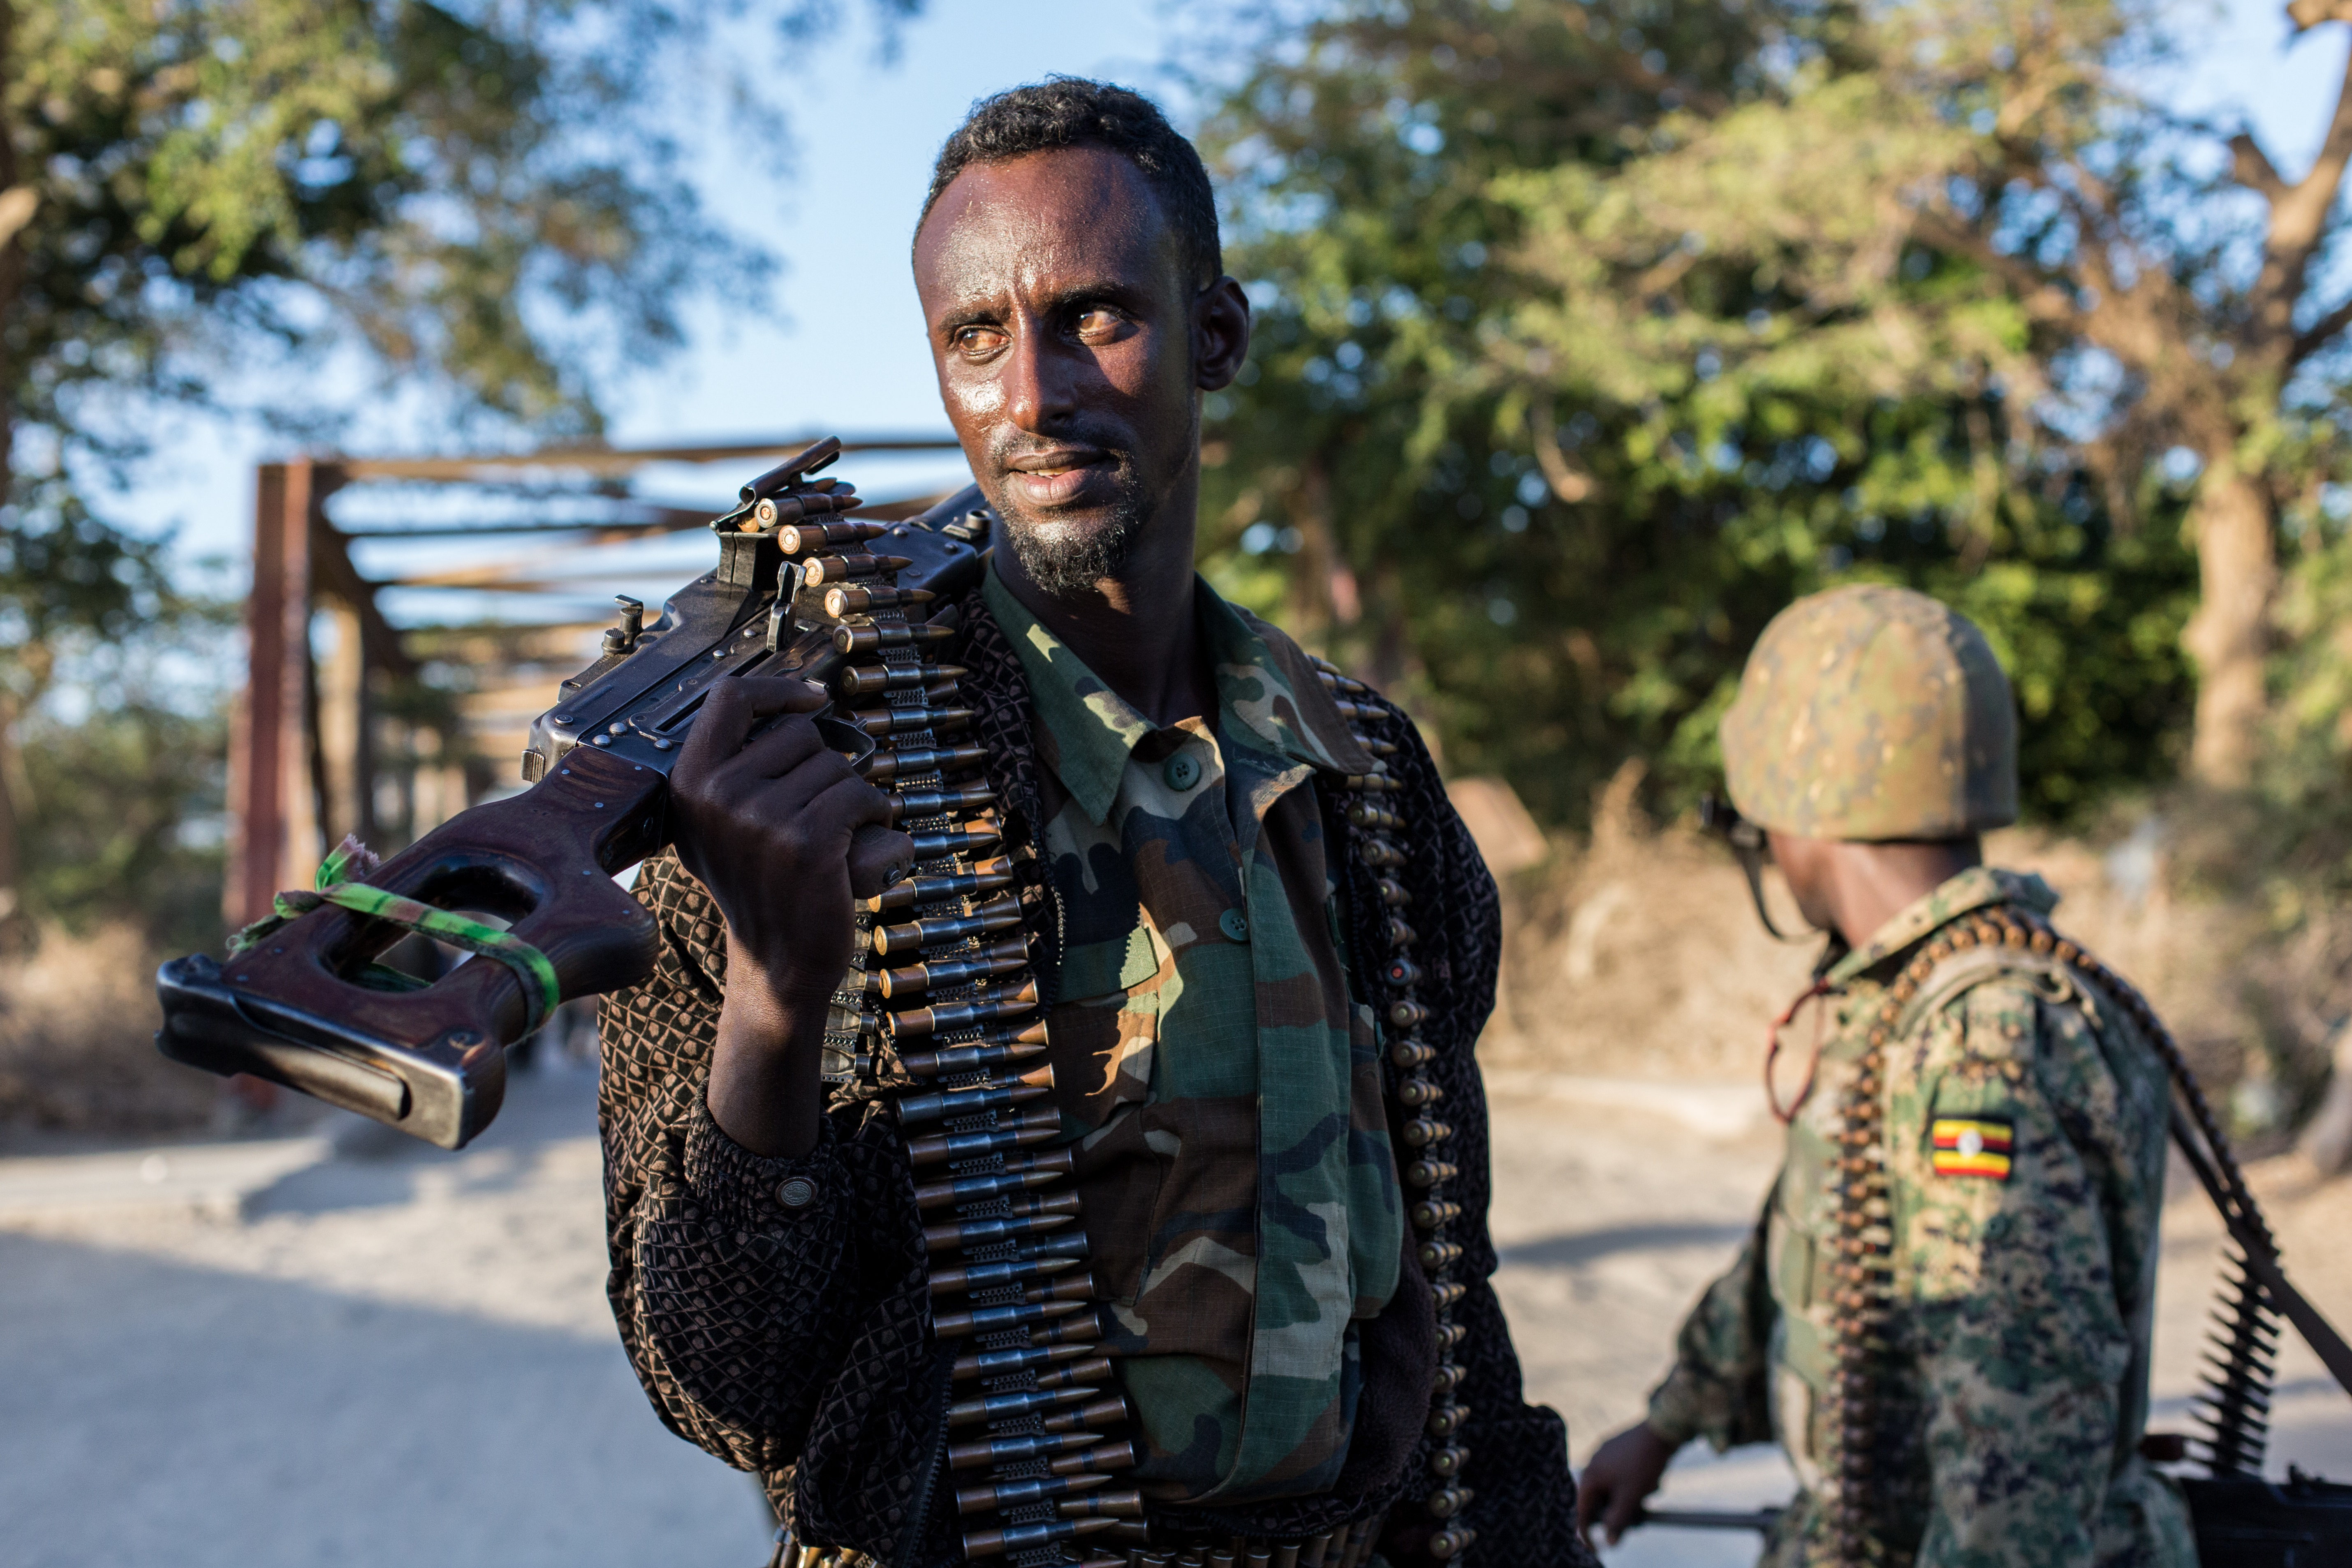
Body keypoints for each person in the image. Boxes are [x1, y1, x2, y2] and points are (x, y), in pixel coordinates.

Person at [595, 79, 1588, 1568]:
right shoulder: (798, 768)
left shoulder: (1367, 778)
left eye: (1097, 317)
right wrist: (776, 997)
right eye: (974, 338)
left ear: (1219, 335)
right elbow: (724, 1383)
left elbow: (1453, 1294)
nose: (1033, 397)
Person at [1575, 584, 2195, 1566]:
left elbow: (2019, 1433)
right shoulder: (1905, 1001)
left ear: (1798, 807)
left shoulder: (1976, 1037)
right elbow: (1819, 1231)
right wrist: (1668, 1420)